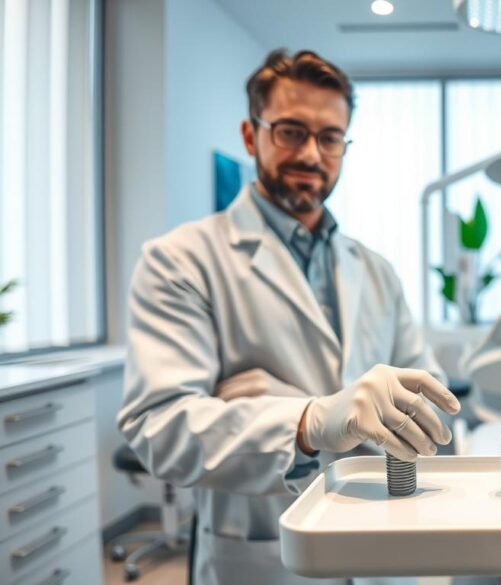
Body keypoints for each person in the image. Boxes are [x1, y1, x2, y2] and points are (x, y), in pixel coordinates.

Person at [118, 49, 460, 585]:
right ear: (251, 136)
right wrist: (308, 420)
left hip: (384, 544)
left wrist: (269, 402)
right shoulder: (180, 259)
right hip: (261, 552)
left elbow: (427, 398)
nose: (311, 152)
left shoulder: (376, 270)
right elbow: (158, 426)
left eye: (329, 137)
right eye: (290, 131)